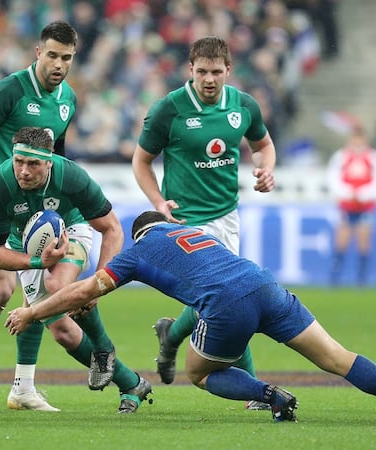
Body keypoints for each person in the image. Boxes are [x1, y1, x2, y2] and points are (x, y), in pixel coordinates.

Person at [6, 211, 376, 425]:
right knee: (338, 357)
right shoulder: (192, 231)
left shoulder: (138, 252)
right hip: (264, 283)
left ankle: (270, 395)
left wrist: (31, 311)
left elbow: (83, 290)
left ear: (141, 233)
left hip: (226, 304)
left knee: (199, 372)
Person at [130, 35, 275, 409]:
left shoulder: (243, 106)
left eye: (216, 72)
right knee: (231, 298)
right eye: (201, 72)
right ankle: (255, 390)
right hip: (187, 219)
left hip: (228, 215)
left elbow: (263, 145)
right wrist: (159, 202)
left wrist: (266, 170)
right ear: (189, 70)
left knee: (220, 299)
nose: (209, 79)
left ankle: (171, 337)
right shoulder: (169, 109)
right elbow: (141, 161)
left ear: (228, 70)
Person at [0, 126, 152, 414]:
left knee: (57, 286)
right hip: (26, 245)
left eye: (34, 164)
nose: (24, 171)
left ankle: (102, 348)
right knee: (63, 331)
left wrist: (99, 284)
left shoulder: (71, 176)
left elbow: (112, 228)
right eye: (19, 162)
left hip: (71, 228)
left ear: (49, 161)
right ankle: (131, 382)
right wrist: (38, 262)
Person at [0, 21, 84, 412]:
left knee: (38, 295)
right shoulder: (10, 89)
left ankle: (23, 388)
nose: (59, 64)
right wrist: (2, 183)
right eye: (53, 55)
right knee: (0, 292)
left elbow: (56, 158)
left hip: (38, 209)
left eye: (67, 58)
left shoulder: (68, 100)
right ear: (38, 52)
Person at [326, 125, 376, 285]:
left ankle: (362, 278)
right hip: (347, 205)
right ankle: (335, 275)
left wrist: (364, 194)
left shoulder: (374, 157)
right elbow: (333, 179)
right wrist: (348, 193)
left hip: (366, 206)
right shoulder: (341, 157)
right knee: (342, 240)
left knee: (364, 241)